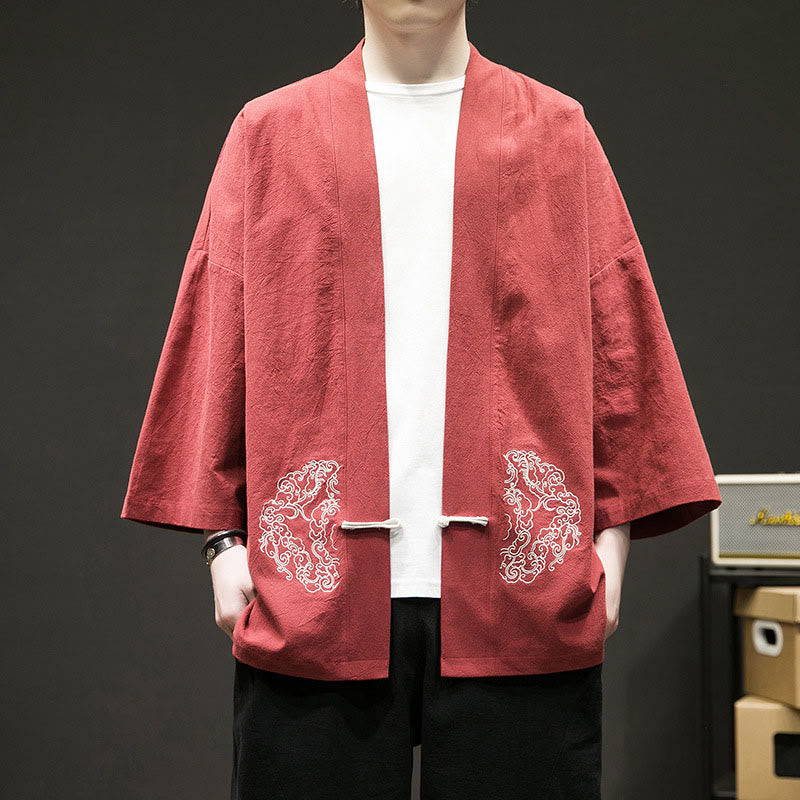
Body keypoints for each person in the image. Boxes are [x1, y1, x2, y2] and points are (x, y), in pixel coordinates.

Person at [120, 1, 722, 797]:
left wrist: (611, 545)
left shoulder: (555, 129)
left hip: (524, 585)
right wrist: (222, 543)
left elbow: (620, 338)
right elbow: (217, 326)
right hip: (312, 587)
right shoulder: (272, 131)